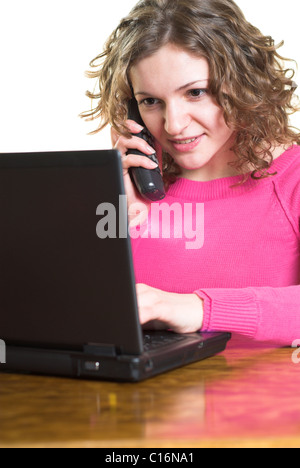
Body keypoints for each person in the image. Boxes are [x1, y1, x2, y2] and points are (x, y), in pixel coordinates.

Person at [81, 0, 300, 345]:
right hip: (143, 398)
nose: (173, 124)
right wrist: (125, 212)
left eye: (195, 92)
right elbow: (76, 313)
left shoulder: (293, 179)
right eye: (150, 102)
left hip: (263, 397)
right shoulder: (129, 189)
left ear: (243, 85)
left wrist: (198, 308)